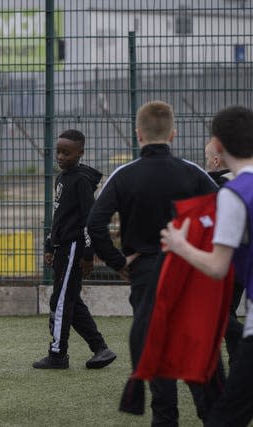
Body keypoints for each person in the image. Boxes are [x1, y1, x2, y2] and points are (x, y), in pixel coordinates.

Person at [86, 100, 220, 425]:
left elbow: (95, 223)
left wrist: (119, 262)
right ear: (173, 134)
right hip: (189, 269)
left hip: (145, 271)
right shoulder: (192, 173)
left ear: (138, 134)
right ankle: (212, 416)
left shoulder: (125, 175)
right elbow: (223, 212)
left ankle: (165, 419)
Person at [161, 105, 253, 427]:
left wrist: (180, 245)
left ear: (217, 145)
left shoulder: (233, 193)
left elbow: (217, 266)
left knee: (225, 416)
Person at [33, 130, 116, 370]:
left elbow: (88, 220)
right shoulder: (62, 178)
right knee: (70, 301)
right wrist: (49, 245)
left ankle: (58, 354)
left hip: (73, 250)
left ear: (80, 153)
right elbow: (59, 216)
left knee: (60, 301)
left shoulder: (81, 181)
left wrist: (88, 255)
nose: (60, 156)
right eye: (58, 152)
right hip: (61, 249)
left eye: (66, 153)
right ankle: (100, 349)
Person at [204, 140, 244, 367]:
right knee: (226, 311)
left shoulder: (214, 186)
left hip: (226, 260)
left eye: (208, 157)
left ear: (216, 160)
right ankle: (240, 366)